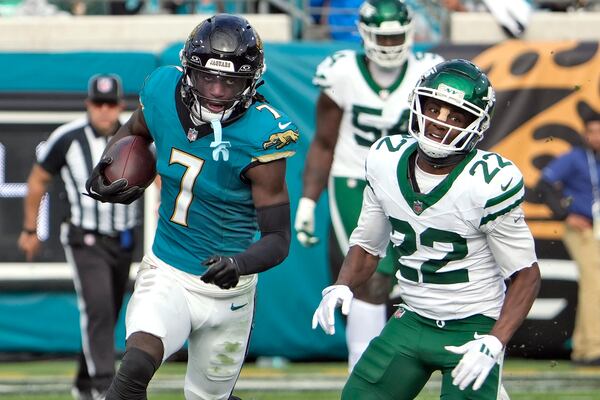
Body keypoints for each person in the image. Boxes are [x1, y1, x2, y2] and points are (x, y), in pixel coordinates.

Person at [85, 14, 298, 400]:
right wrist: (108, 165)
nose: (216, 91)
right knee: (132, 371)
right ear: (188, 70)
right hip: (168, 269)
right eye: (207, 77)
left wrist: (239, 263)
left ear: (251, 81)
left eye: (230, 81)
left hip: (229, 292)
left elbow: (279, 238)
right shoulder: (163, 90)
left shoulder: (264, 135)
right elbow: (135, 130)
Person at [312, 59, 541, 399]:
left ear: (476, 125)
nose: (439, 123)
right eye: (434, 109)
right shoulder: (385, 160)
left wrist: (494, 341)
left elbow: (525, 274)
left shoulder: (488, 183)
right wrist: (343, 285)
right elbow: (367, 245)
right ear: (417, 104)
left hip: (473, 326)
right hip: (413, 318)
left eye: (455, 116)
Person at [294, 0, 444, 371]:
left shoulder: (427, 72)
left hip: (410, 180)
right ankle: (362, 367)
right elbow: (324, 142)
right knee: (370, 276)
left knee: (418, 275)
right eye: (383, 37)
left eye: (396, 37)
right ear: (364, 33)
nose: (390, 45)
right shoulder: (342, 71)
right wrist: (309, 200)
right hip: (354, 180)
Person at [18, 74, 137, 400]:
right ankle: (103, 387)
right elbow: (38, 179)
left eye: (110, 104)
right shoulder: (68, 137)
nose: (104, 111)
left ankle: (84, 383)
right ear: (88, 105)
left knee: (110, 311)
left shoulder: (134, 137)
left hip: (123, 238)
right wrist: (30, 229)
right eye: (98, 104)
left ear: (119, 105)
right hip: (84, 238)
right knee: (98, 308)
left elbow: (154, 175)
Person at [536, 115, 600, 366]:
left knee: (594, 285)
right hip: (581, 229)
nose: (596, 136)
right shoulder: (575, 157)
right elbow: (544, 185)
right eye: (592, 131)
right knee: (595, 283)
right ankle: (592, 348)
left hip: (597, 228)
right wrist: (565, 213)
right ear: (585, 134)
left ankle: (584, 348)